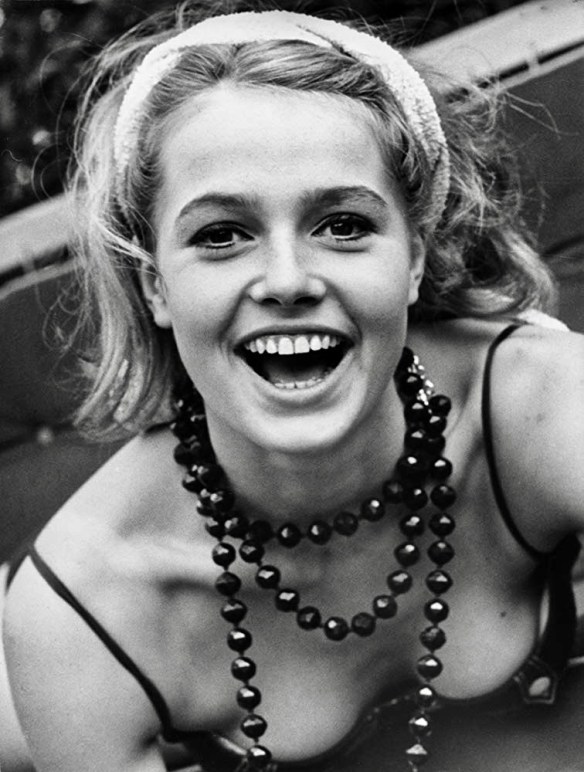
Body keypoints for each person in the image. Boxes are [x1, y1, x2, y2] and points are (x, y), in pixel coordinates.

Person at [2, 4, 584, 771]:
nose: (286, 280)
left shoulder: (538, 403)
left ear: (414, 256)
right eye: (221, 234)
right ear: (156, 288)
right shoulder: (85, 611)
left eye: (343, 224)